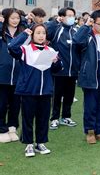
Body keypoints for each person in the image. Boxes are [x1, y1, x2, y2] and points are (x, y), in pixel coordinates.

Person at [8, 24, 61, 157]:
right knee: (28, 118)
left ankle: (40, 143)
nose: (41, 35)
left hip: (45, 91)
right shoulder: (25, 50)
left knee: (43, 119)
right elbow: (11, 47)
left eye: (43, 33)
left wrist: (55, 62)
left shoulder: (50, 50)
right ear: (32, 35)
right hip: (28, 91)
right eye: (37, 33)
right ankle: (29, 144)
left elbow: (57, 69)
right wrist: (24, 34)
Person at [73, 10, 100, 144]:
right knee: (90, 106)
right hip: (90, 76)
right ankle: (90, 131)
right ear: (93, 22)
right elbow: (76, 41)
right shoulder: (87, 36)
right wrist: (86, 25)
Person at [45, 7, 80, 130]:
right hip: (59, 70)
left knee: (69, 95)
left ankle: (66, 116)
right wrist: (55, 22)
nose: (71, 18)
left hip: (73, 70)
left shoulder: (76, 30)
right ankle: (54, 118)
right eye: (69, 15)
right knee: (57, 95)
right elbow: (46, 33)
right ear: (62, 17)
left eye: (73, 15)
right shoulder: (56, 29)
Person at [0, 8, 23, 143]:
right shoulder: (1, 31)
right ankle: (1, 129)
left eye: (17, 18)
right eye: (13, 18)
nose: (15, 21)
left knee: (15, 104)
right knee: (2, 104)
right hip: (2, 75)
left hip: (19, 75)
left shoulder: (23, 33)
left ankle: (12, 127)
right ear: (6, 18)